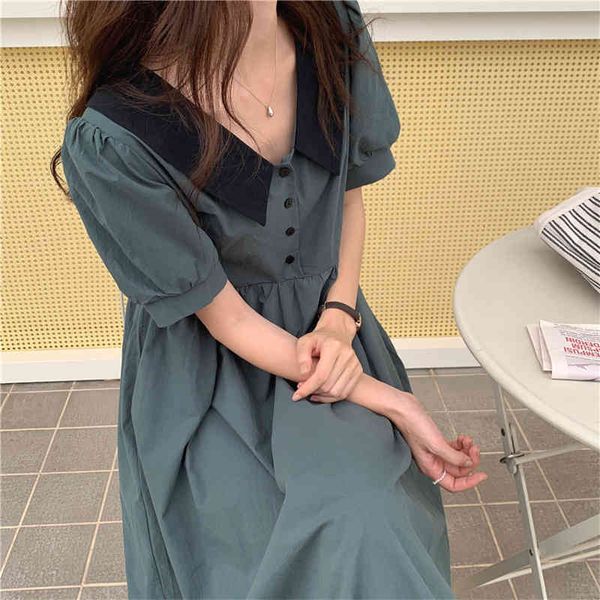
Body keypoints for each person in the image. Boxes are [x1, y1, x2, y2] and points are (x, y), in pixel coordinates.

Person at [53, 1, 487, 598]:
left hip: (331, 333)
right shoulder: (121, 132)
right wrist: (394, 402)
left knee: (369, 525)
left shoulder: (329, 29)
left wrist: (339, 318)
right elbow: (224, 316)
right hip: (206, 372)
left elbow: (348, 196)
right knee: (254, 549)